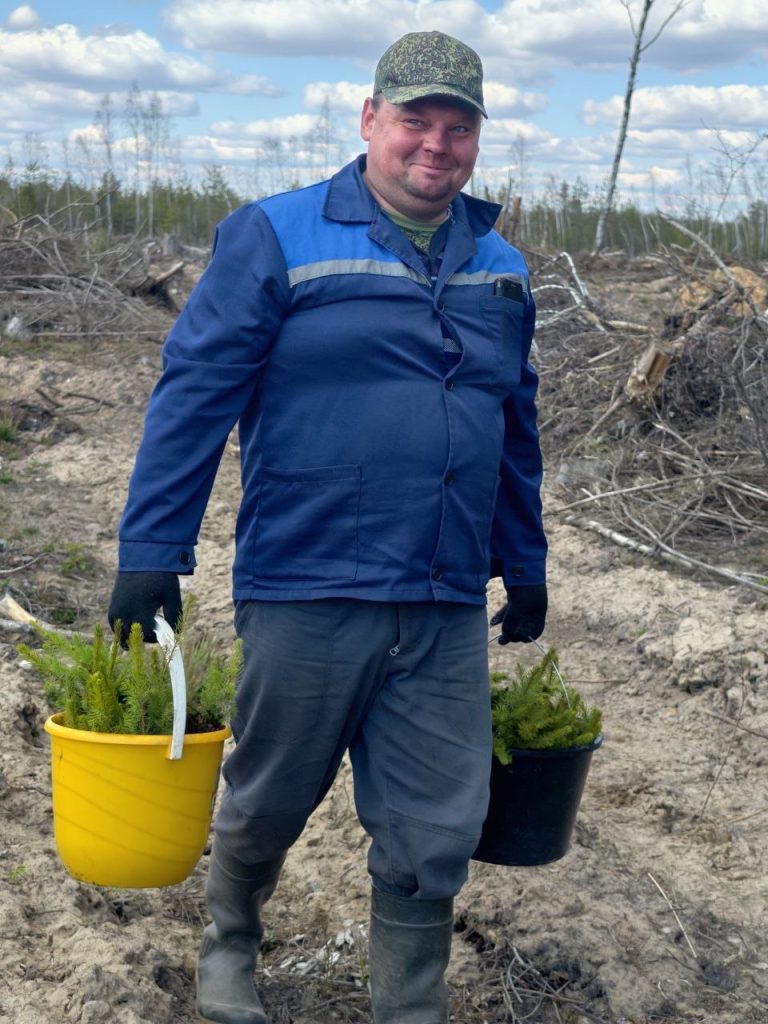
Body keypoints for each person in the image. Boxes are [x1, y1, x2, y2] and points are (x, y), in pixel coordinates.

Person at [107, 29, 548, 1024]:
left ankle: (409, 1007)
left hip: (441, 594)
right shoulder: (277, 234)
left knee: (436, 825)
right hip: (308, 579)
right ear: (370, 120)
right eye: (415, 121)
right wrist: (151, 550)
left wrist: (524, 559)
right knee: (268, 795)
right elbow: (193, 394)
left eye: (458, 128)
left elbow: (512, 422)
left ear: (478, 140)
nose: (435, 145)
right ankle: (231, 942)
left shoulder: (502, 266)